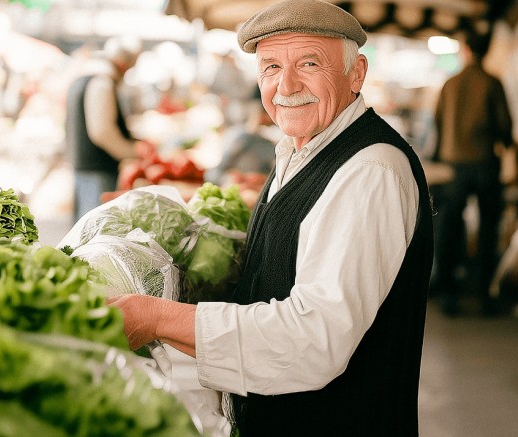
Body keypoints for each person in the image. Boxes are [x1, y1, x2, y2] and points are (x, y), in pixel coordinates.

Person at [108, 1, 434, 435]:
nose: (287, 84)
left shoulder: (369, 170)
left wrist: (156, 318)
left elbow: (314, 340)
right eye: (271, 67)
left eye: (309, 63)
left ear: (356, 74)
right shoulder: (302, 148)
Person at [429, 30, 514, 316]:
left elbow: (438, 122)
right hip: (484, 161)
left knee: (450, 226)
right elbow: (505, 126)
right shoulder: (492, 83)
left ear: (465, 50)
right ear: (487, 50)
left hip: (453, 163)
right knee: (488, 228)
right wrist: (507, 145)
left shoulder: (450, 84)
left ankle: (448, 293)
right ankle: (484, 295)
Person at [66, 36, 142, 222]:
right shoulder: (102, 82)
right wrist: (132, 152)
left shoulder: (82, 78)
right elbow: (102, 132)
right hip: (98, 169)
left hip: (82, 166)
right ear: (123, 64)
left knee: (84, 225)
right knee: (95, 226)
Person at [205, 87, 279, 187]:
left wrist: (263, 180)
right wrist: (232, 179)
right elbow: (212, 174)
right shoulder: (242, 137)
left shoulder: (278, 143)